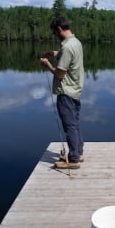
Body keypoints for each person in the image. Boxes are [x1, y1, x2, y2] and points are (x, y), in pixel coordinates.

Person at [40, 17, 85, 169]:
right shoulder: (76, 42)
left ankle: (73, 160)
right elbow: (67, 54)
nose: (54, 35)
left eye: (54, 32)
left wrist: (47, 64)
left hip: (66, 92)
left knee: (69, 126)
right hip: (75, 90)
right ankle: (78, 152)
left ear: (59, 29)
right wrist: (53, 53)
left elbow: (59, 74)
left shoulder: (67, 48)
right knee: (75, 124)